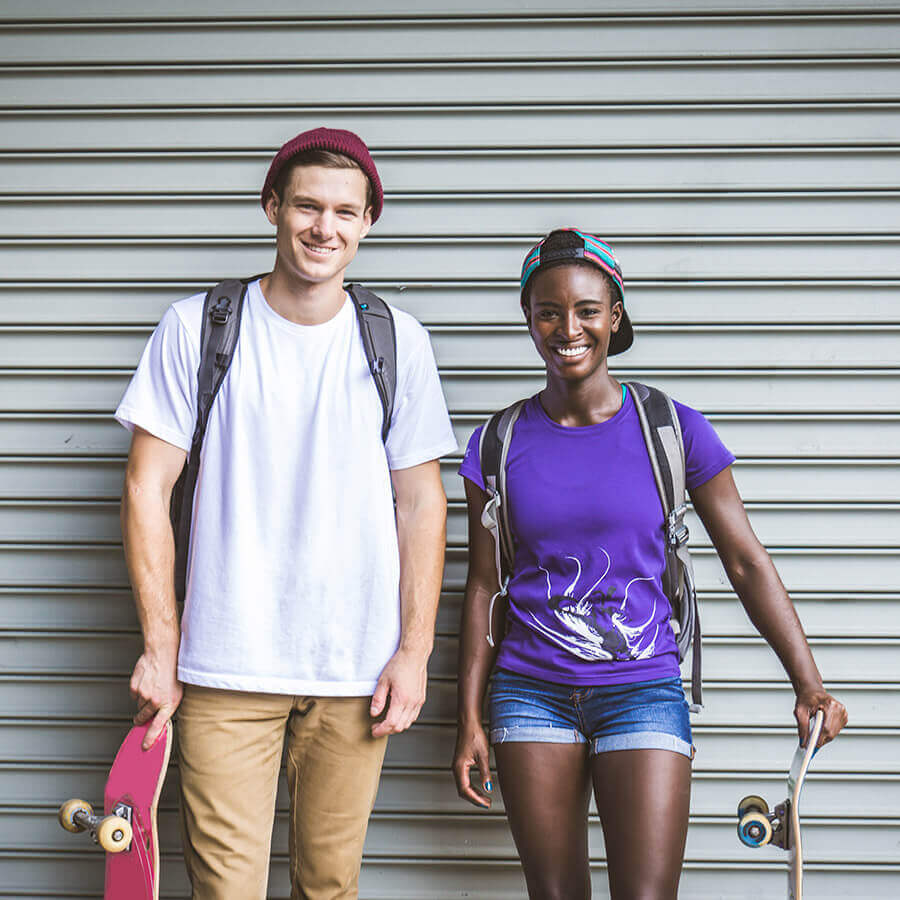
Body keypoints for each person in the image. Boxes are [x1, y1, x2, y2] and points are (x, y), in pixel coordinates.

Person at [452, 228, 848, 899]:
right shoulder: (497, 443)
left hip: (642, 690)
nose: (568, 329)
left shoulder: (670, 427)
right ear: (528, 318)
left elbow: (745, 561)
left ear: (615, 316)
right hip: (530, 693)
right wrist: (468, 718)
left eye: (587, 310)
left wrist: (808, 682)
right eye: (548, 312)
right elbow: (486, 587)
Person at [116, 127, 458, 899]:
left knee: (330, 887)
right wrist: (160, 647)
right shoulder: (198, 327)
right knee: (225, 890)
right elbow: (145, 489)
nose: (323, 227)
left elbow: (421, 504)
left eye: (344, 211)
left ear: (367, 222)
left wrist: (414, 652)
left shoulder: (397, 342)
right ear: (273, 206)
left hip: (356, 671)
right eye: (307, 205)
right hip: (224, 666)